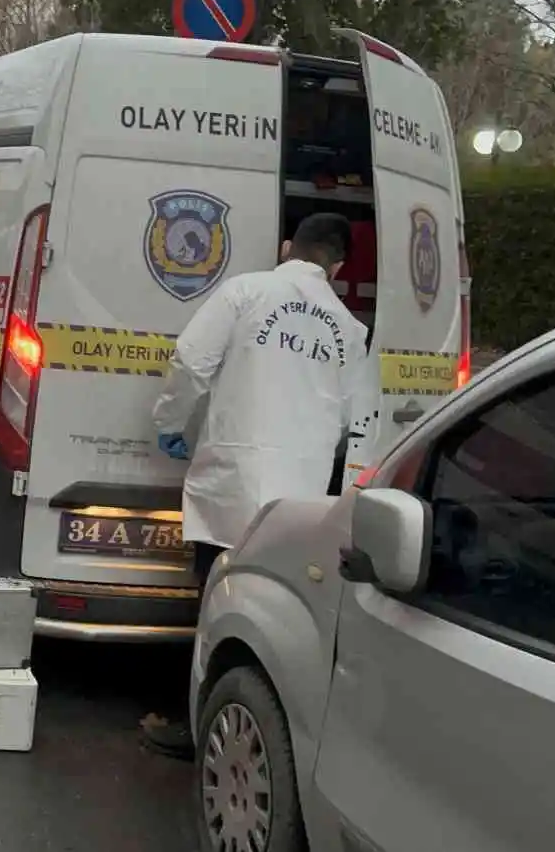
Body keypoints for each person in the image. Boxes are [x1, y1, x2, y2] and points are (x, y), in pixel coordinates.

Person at [140, 212, 370, 760]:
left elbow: (192, 360)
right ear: (337, 267)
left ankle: (197, 724)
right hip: (300, 503)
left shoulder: (244, 291)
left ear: (288, 246)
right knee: (274, 617)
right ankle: (261, 732)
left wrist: (171, 423)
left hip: (233, 488)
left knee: (218, 601)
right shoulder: (351, 330)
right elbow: (356, 424)